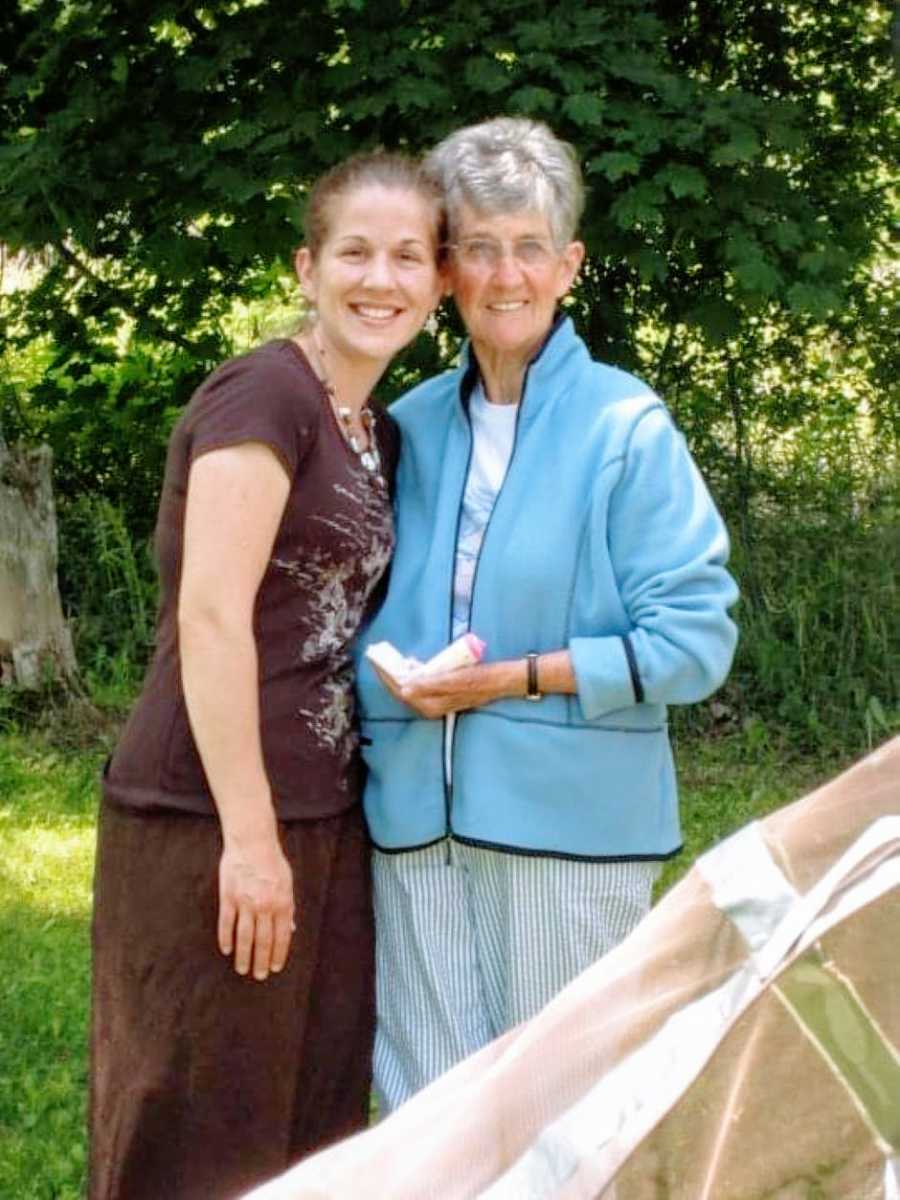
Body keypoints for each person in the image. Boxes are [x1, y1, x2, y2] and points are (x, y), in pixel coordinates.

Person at [355, 117, 739, 1113]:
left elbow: (695, 643)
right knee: (429, 1118)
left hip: (569, 839)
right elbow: (349, 614)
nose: (506, 273)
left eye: (529, 246)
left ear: (569, 265)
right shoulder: (407, 426)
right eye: (479, 247)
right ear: (447, 272)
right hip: (409, 834)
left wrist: (514, 679)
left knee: (565, 1120)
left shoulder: (627, 429)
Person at [89, 151, 444, 1199]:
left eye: (408, 256)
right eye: (356, 252)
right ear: (307, 267)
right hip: (209, 809)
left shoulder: (374, 427)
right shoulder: (264, 393)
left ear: (437, 280)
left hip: (324, 812)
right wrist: (248, 841)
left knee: (308, 1121)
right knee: (201, 1120)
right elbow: (211, 613)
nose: (380, 279)